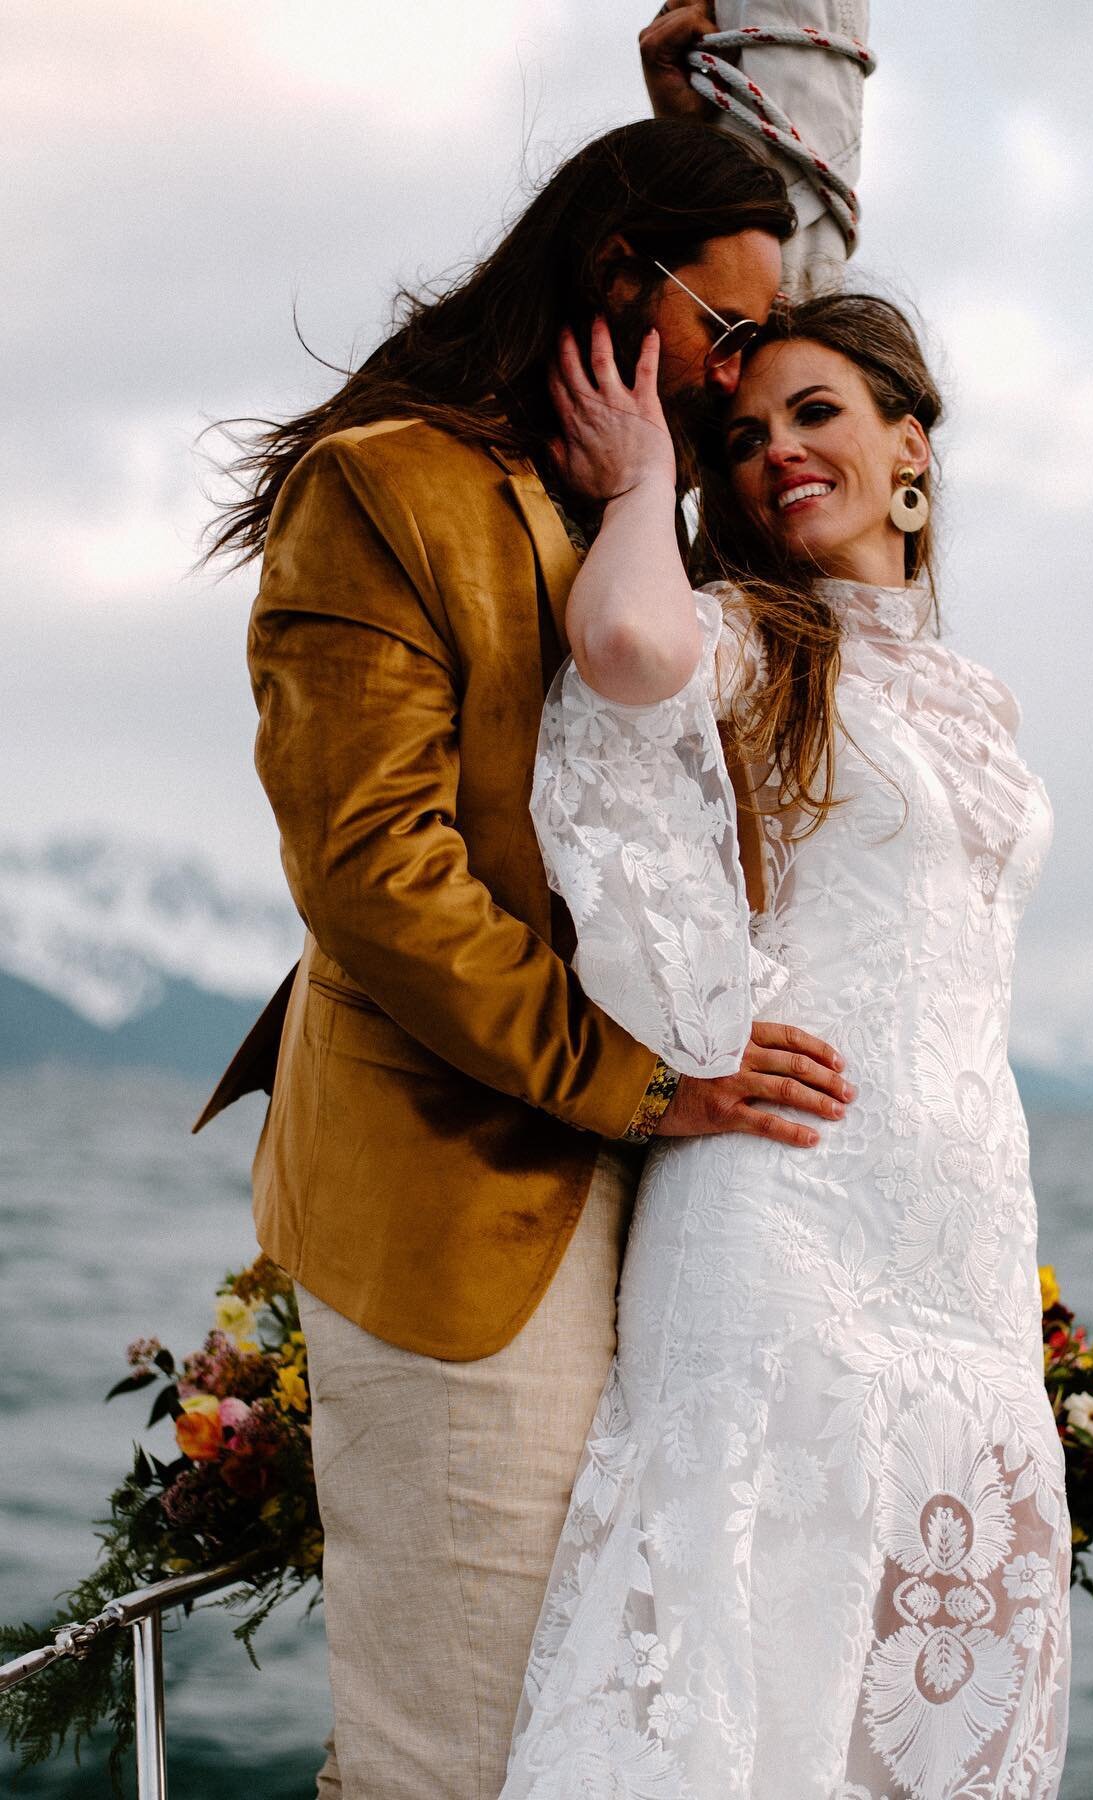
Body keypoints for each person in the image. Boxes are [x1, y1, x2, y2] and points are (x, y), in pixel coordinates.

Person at [195, 120, 859, 1800]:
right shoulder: (383, 491)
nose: (738, 383)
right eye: (722, 338)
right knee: (462, 1757)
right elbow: (376, 879)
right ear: (613, 284)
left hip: (645, 1210)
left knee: (603, 1739)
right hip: (454, 1198)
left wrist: (699, 100)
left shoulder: (644, 523)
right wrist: (641, 1087)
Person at [504, 294, 1071, 1797]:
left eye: (817, 413)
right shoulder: (751, 638)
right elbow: (623, 644)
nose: (777, 453)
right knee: (740, 1687)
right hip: (781, 1225)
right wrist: (642, 485)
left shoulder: (977, 696)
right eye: (745, 437)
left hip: (960, 1256)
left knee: (921, 1692)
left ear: (911, 449)